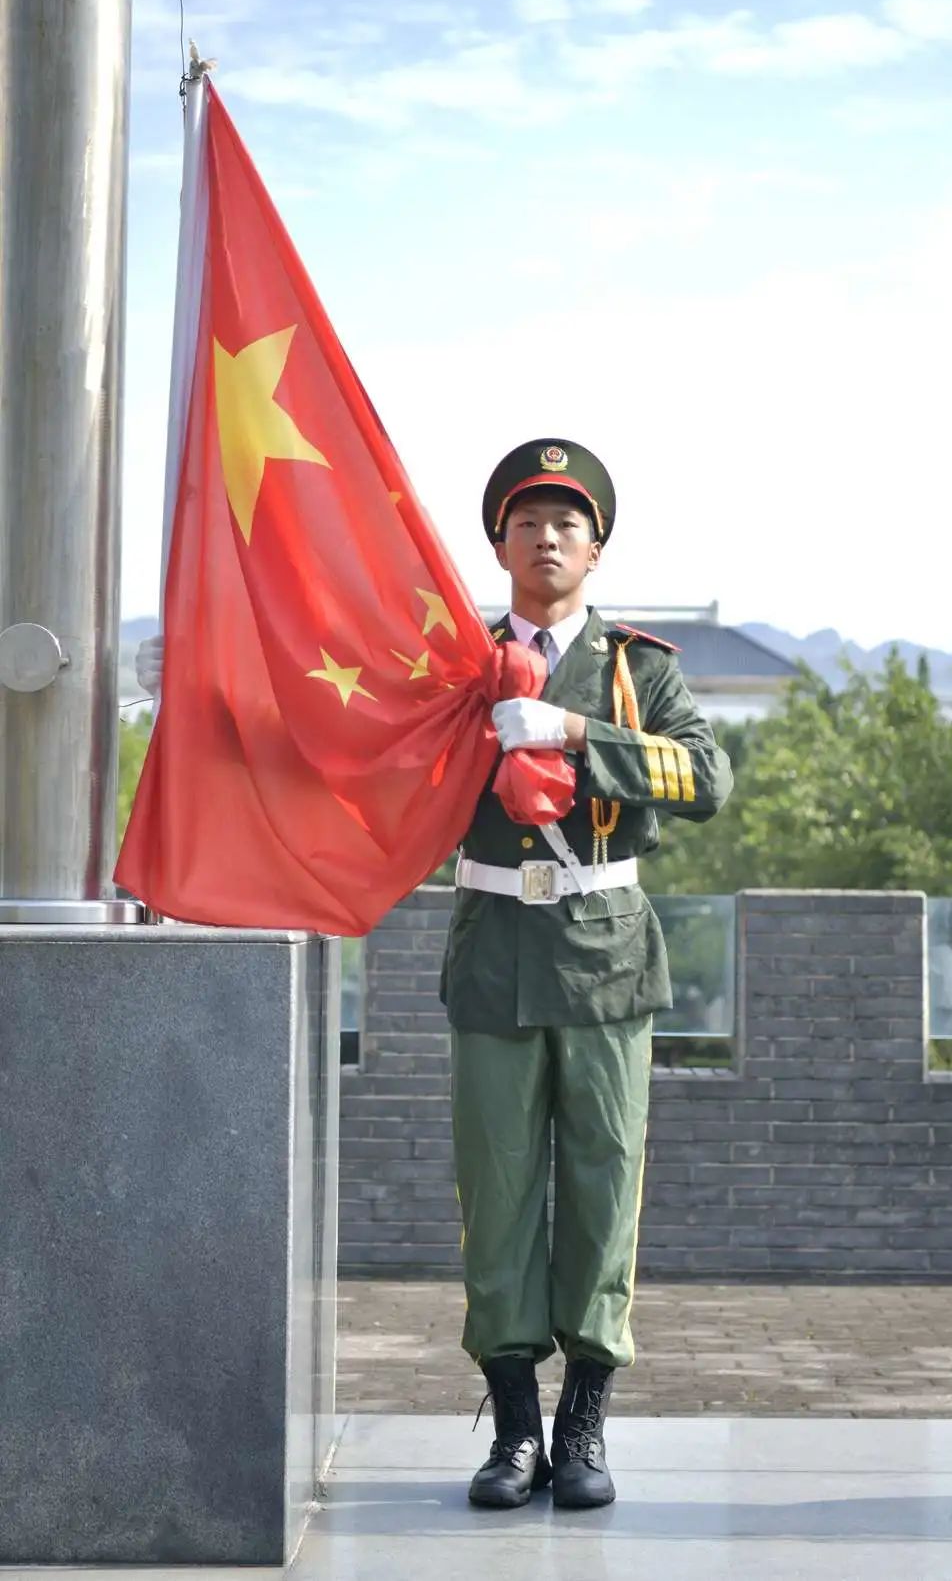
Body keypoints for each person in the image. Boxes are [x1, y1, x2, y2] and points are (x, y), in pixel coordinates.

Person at [135, 436, 734, 1514]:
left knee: (603, 1191)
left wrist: (574, 730)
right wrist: (213, 690)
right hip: (497, 951)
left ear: (596, 548)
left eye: (567, 524)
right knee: (495, 1195)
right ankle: (514, 1430)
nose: (546, 539)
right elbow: (344, 737)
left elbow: (707, 777)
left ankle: (583, 1425)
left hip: (605, 958)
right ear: (498, 545)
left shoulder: (638, 669)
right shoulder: (454, 664)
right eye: (526, 522)